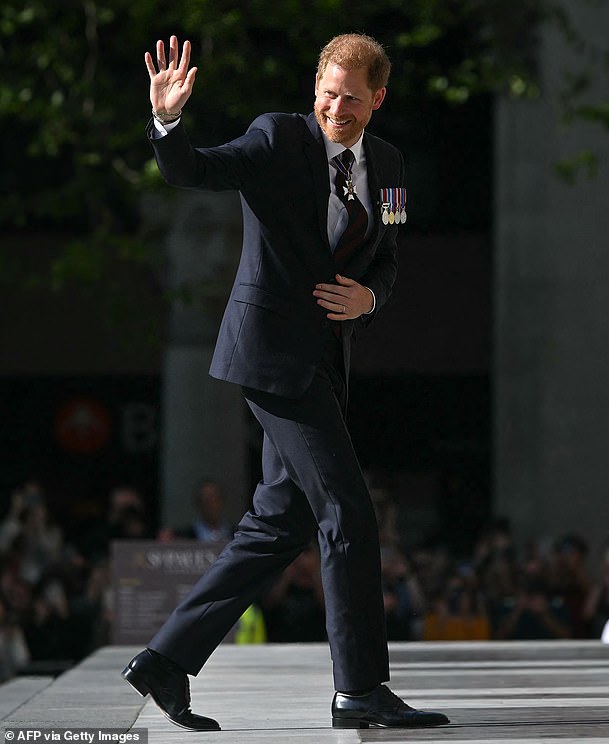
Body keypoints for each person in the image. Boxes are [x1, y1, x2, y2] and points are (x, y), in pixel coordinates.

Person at [122, 33, 449, 731]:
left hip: (325, 362)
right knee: (348, 513)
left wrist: (372, 299)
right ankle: (358, 688)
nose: (337, 108)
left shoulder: (390, 169)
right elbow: (194, 171)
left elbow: (389, 252)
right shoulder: (276, 140)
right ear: (315, 89)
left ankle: (165, 661)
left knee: (280, 522)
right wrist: (168, 123)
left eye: (353, 99)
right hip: (270, 356)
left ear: (377, 100)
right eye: (328, 94)